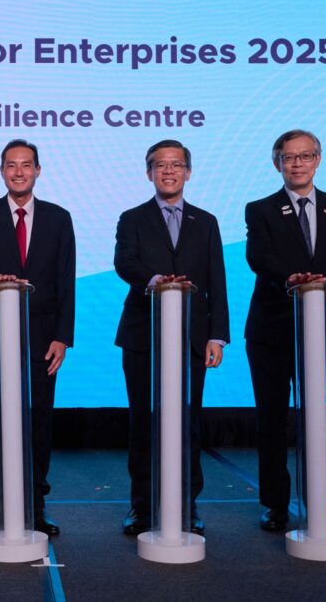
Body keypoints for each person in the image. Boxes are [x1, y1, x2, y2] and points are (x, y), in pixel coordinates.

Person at [0, 139, 75, 538]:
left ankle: (35, 506)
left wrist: (63, 337)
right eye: (12, 165)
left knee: (39, 423)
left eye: (27, 165)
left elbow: (65, 280)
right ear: (2, 171)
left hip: (44, 339)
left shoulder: (59, 218)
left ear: (38, 170)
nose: (19, 171)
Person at [114, 139, 229, 537]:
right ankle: (142, 506)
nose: (168, 170)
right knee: (143, 422)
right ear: (149, 173)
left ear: (188, 172)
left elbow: (217, 279)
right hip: (142, 336)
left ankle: (186, 504)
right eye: (160, 164)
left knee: (188, 423)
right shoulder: (132, 218)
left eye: (176, 164)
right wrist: (153, 280)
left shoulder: (206, 221)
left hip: (192, 338)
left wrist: (217, 336)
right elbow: (124, 263)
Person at [244, 129, 326, 532]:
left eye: (305, 156)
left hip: (318, 331)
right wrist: (289, 277)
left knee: (313, 419)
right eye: (288, 157)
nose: (297, 164)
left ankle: (316, 501)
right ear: (277, 163)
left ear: (318, 159)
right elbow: (257, 258)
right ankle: (275, 504)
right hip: (271, 331)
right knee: (272, 421)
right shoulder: (260, 209)